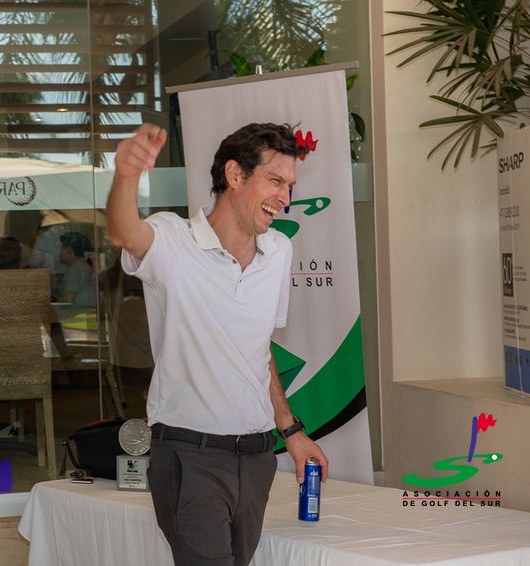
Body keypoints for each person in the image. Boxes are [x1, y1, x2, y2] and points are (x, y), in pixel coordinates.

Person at [106, 122, 329, 566]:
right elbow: (124, 232)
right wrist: (126, 176)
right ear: (234, 174)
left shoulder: (278, 250)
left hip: (257, 458)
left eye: (290, 186)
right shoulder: (174, 239)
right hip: (191, 456)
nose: (285, 198)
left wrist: (291, 432)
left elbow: (258, 350)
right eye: (275, 181)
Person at [57, 231, 96, 307]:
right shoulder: (79, 266)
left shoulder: (77, 269)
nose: (60, 252)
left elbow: (68, 300)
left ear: (69, 250)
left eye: (62, 248)